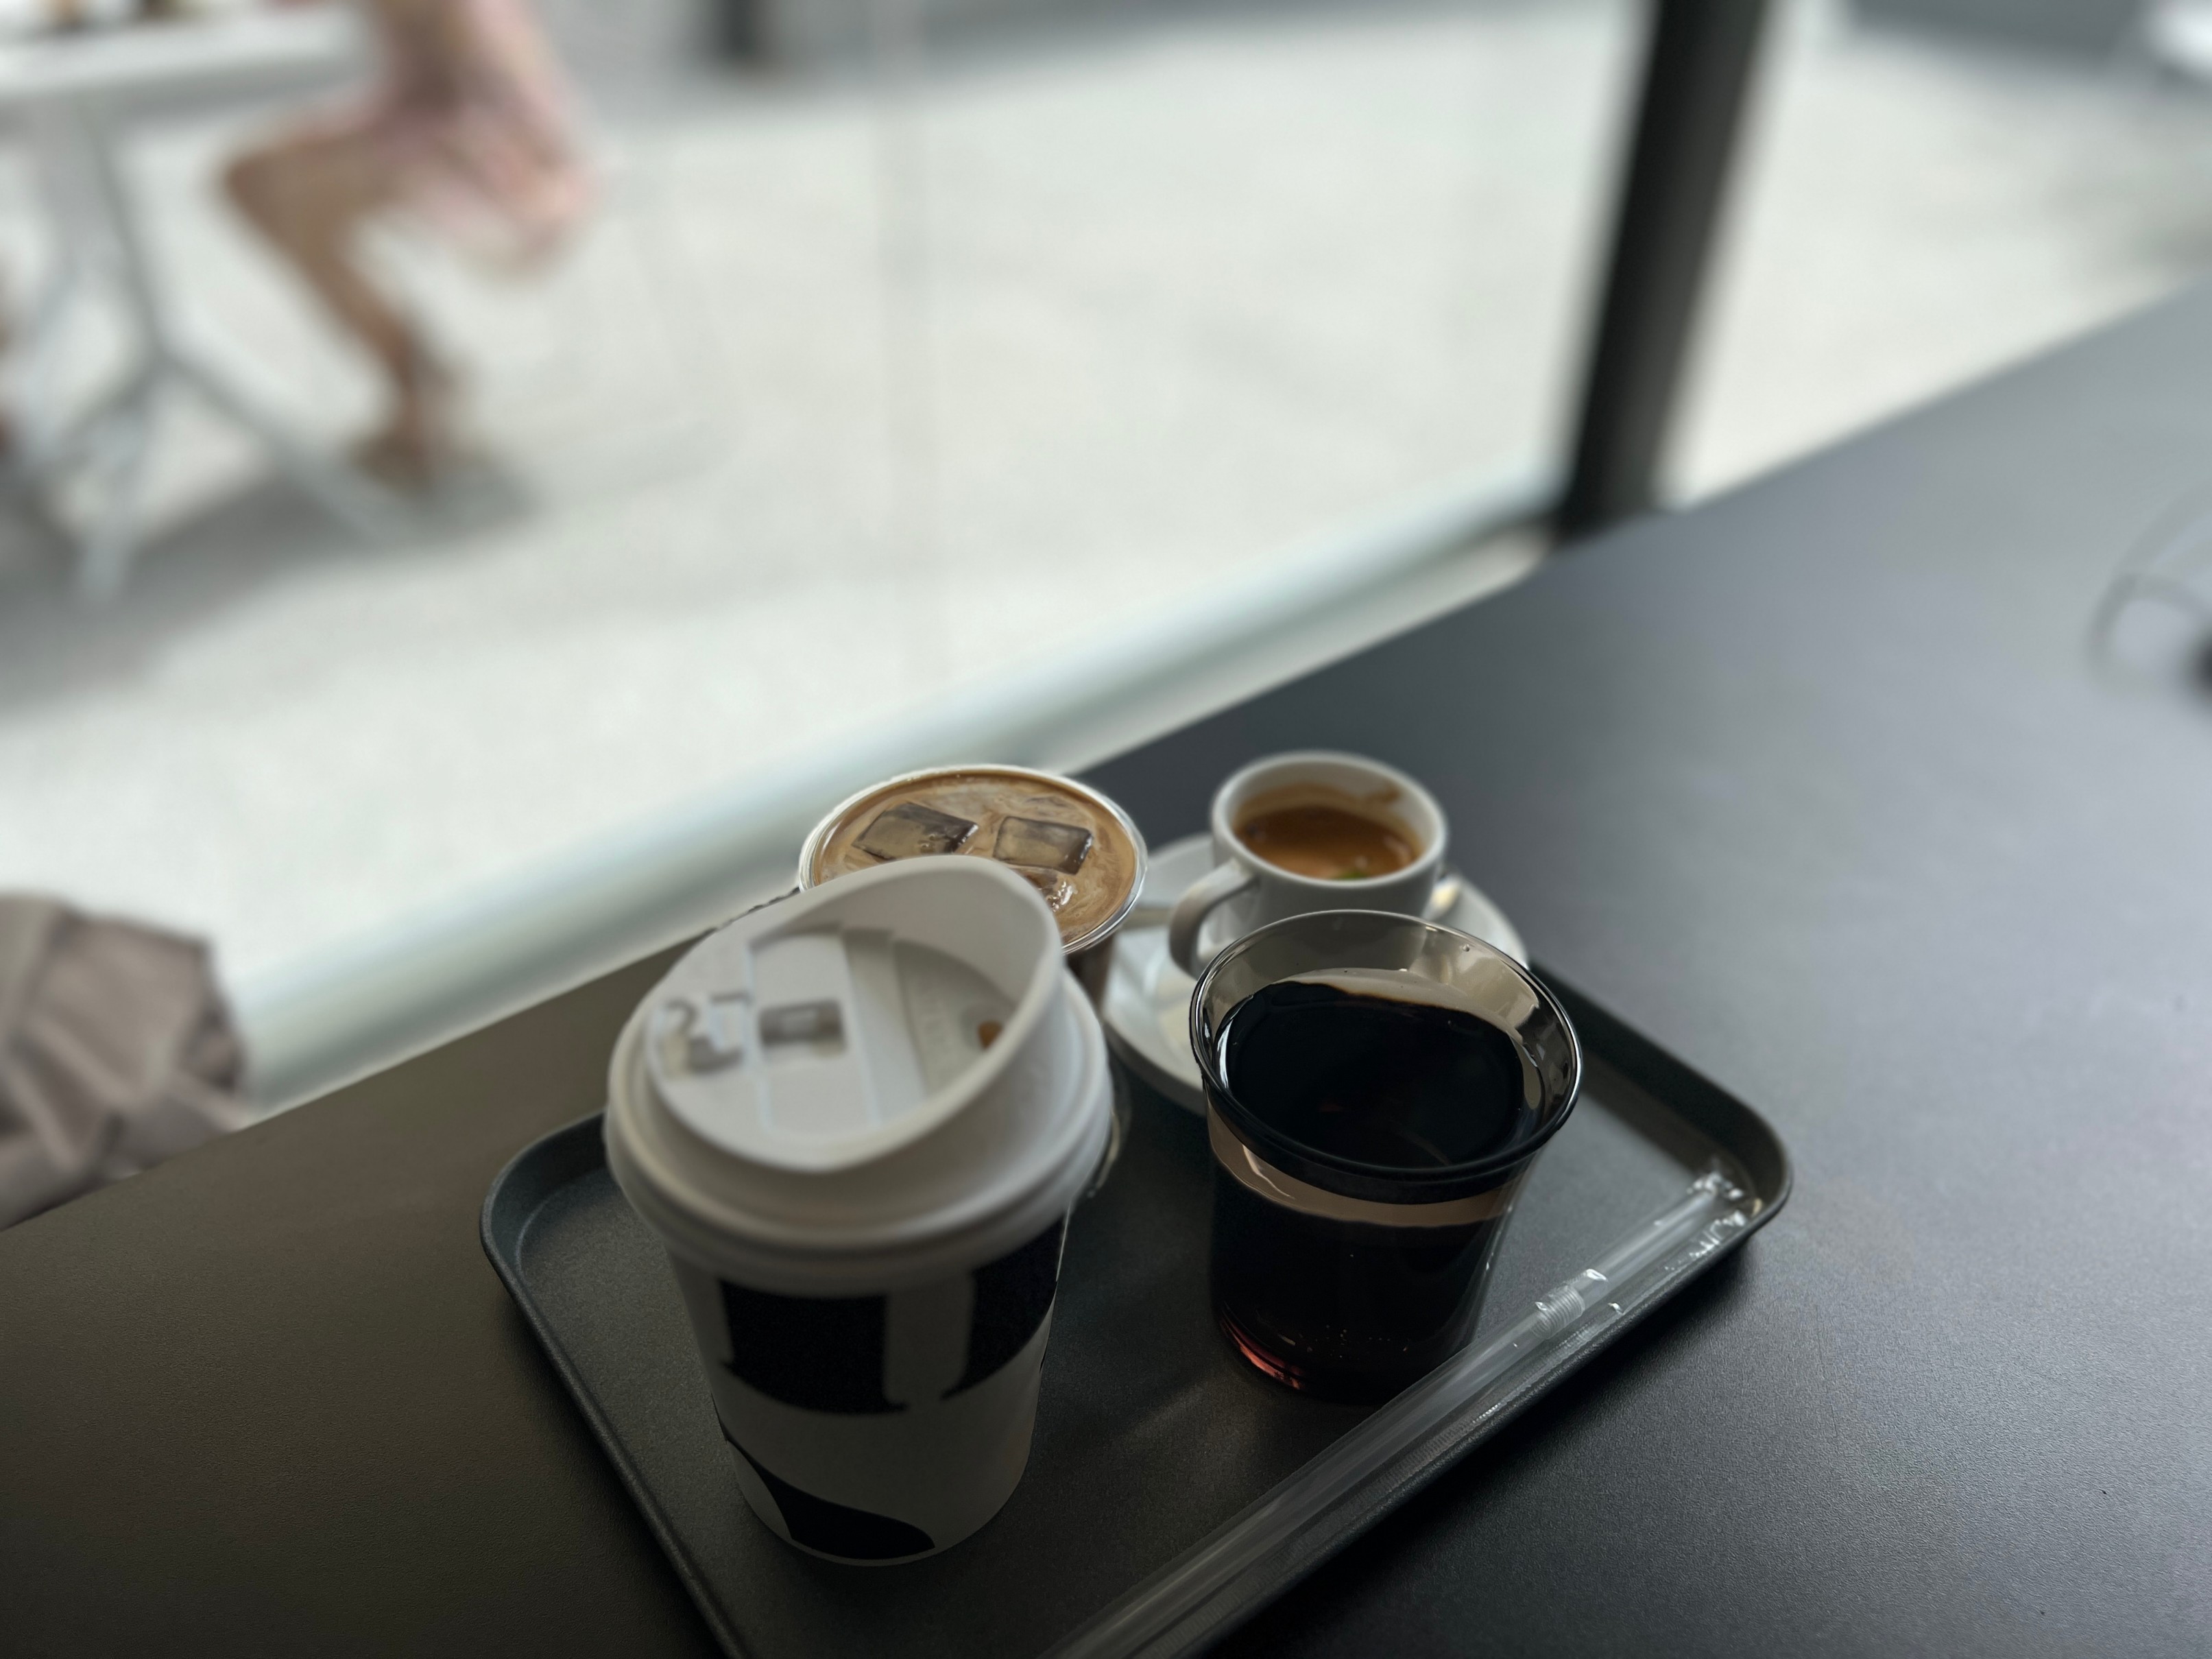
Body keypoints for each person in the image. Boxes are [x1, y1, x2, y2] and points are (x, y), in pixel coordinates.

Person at [224, 0, 590, 488]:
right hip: (431, 121)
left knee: (296, 200)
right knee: (247, 180)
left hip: (498, 154)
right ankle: (418, 372)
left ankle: (416, 382)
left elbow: (478, 91)